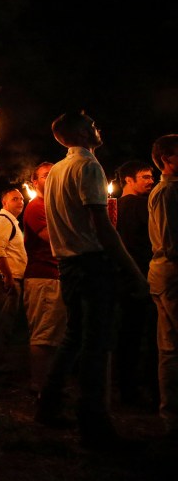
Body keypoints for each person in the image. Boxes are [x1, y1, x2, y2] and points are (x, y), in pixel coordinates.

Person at [34, 110, 148, 451]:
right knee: (97, 343)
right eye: (92, 124)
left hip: (68, 263)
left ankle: (48, 405)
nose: (98, 127)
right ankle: (94, 423)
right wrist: (130, 269)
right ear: (81, 132)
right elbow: (101, 224)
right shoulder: (88, 167)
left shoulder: (56, 172)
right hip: (90, 262)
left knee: (74, 336)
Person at [114, 159, 158, 408]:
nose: (150, 181)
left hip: (125, 276)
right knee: (146, 334)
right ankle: (145, 389)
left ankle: (127, 387)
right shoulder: (142, 206)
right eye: (144, 177)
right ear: (128, 180)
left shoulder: (115, 207)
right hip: (142, 276)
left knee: (128, 333)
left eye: (151, 176)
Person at [22, 162, 67, 395]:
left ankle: (51, 385)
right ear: (35, 182)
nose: (52, 179)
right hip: (43, 277)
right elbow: (54, 238)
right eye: (46, 176)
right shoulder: (36, 207)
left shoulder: (55, 206)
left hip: (56, 277)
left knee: (56, 334)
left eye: (55, 175)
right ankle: (39, 386)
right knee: (44, 334)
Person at [147, 134, 178, 438]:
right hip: (172, 275)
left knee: (170, 347)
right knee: (170, 347)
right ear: (167, 159)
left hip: (165, 273)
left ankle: (171, 415)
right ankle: (172, 416)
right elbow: (172, 243)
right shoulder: (168, 193)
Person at [0, 186, 27, 375]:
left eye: (21, 198)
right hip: (2, 280)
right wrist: (8, 276)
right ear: (5, 203)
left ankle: (0, 363)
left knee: (6, 324)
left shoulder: (12, 222)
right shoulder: (2, 221)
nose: (21, 201)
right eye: (15, 199)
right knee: (1, 324)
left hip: (8, 279)